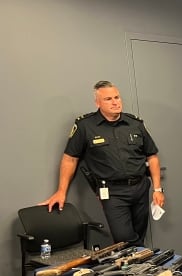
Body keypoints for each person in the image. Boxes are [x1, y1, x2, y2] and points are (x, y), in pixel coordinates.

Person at [41, 80, 165, 246]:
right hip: (112, 192)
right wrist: (61, 191)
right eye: (108, 99)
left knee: (139, 237)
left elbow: (152, 156)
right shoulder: (85, 126)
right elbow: (70, 159)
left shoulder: (135, 124)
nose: (115, 102)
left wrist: (157, 189)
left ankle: (136, 267)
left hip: (140, 188)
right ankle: (134, 264)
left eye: (117, 97)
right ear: (97, 102)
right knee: (125, 239)